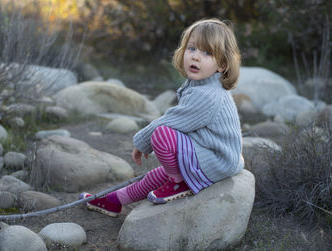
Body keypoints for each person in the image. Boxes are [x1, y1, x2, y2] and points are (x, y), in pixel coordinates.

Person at [80, 18, 244, 217]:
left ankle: (179, 183)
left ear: (222, 64)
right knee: (155, 176)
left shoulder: (208, 95)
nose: (196, 57)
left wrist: (142, 141)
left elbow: (171, 121)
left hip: (217, 160)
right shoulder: (204, 84)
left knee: (161, 134)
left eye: (207, 53)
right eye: (192, 49)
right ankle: (114, 201)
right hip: (212, 153)